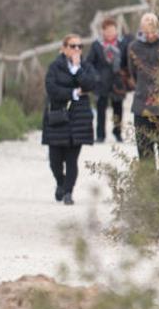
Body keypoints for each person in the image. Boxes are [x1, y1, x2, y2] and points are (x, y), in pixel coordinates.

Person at [42, 34, 97, 205]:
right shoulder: (55, 67)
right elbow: (51, 89)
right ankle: (61, 182)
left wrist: (77, 69)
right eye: (73, 46)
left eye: (80, 46)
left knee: (72, 159)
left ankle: (68, 192)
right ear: (64, 48)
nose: (77, 50)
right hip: (58, 118)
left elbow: (90, 84)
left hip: (78, 119)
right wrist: (72, 93)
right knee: (55, 161)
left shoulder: (85, 66)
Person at [128, 13, 159, 170]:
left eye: (153, 31)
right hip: (142, 106)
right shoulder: (134, 47)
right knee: (145, 154)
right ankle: (150, 191)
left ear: (158, 28)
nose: (150, 35)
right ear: (141, 30)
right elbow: (132, 72)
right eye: (146, 32)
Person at [86, 17, 131, 143]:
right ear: (103, 31)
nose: (111, 33)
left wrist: (125, 74)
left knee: (118, 108)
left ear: (116, 30)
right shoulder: (96, 45)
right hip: (101, 82)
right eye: (108, 31)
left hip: (118, 81)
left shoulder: (123, 44)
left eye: (113, 30)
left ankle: (117, 133)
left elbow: (127, 62)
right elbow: (89, 62)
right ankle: (100, 135)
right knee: (101, 108)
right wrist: (96, 76)